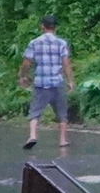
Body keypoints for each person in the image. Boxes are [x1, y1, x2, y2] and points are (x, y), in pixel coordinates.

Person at [18, 16, 74, 150]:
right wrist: (70, 81)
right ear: (55, 27)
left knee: (35, 112)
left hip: (40, 83)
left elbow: (26, 63)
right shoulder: (61, 43)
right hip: (57, 82)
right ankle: (62, 140)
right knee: (62, 113)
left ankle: (32, 136)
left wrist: (23, 76)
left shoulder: (34, 43)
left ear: (42, 26)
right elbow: (66, 64)